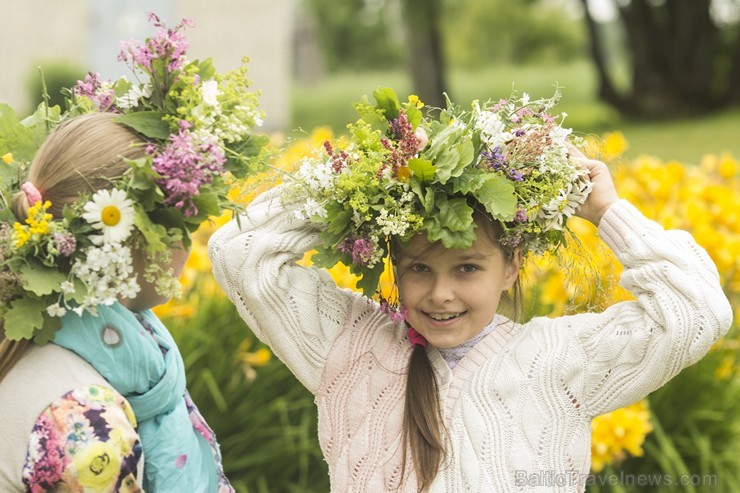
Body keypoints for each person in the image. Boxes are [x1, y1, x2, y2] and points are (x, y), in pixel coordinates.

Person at [208, 89, 733, 492]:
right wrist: (351, 184)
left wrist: (606, 212)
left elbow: (696, 311)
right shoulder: (347, 347)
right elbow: (240, 252)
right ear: (393, 263)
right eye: (418, 269)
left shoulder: (558, 360)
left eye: (466, 269)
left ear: (512, 267)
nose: (439, 294)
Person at [0, 14, 264, 492]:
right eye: (187, 213)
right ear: (138, 238)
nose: (197, 233)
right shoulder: (84, 421)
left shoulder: (37, 340)